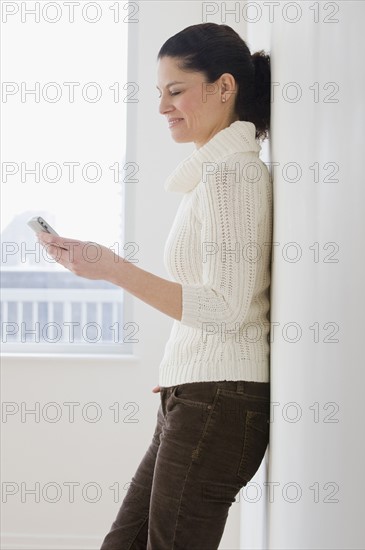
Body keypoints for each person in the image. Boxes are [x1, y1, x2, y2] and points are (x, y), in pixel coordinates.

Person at [38, 22, 272, 550]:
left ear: (224, 87)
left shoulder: (232, 177)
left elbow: (224, 311)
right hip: (197, 394)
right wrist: (179, 373)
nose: (163, 106)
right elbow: (215, 301)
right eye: (159, 93)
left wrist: (112, 269)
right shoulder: (214, 177)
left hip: (218, 400)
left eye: (176, 91)